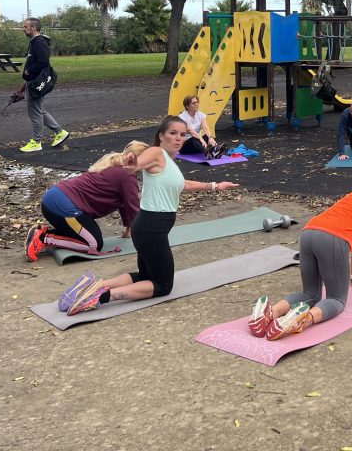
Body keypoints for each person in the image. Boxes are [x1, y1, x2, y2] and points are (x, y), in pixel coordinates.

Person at [57, 116, 239, 316]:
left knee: (146, 275)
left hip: (146, 228)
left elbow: (183, 185)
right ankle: (99, 297)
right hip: (152, 229)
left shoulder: (168, 162)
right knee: (162, 286)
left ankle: (93, 286)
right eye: (173, 133)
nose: (178, 138)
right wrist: (132, 163)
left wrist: (214, 186)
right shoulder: (156, 153)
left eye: (183, 134)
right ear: (161, 136)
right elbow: (133, 167)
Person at [248, 160, 352, 340]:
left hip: (309, 233)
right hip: (332, 239)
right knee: (336, 299)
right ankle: (300, 320)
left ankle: (271, 313)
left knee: (310, 294)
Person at [24, 140, 149, 261]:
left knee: (91, 235)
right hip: (63, 207)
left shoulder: (115, 164)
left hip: (55, 201)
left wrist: (129, 228)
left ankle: (44, 233)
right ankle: (43, 238)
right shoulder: (127, 175)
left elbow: (125, 203)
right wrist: (147, 236)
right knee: (93, 245)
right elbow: (134, 208)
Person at [18, 17, 69, 152]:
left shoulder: (38, 42)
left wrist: (29, 71)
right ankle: (60, 132)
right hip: (32, 81)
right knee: (39, 110)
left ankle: (36, 142)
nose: (24, 29)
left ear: (33, 28)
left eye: (25, 26)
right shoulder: (35, 42)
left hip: (36, 82)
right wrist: (25, 83)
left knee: (35, 112)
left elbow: (43, 61)